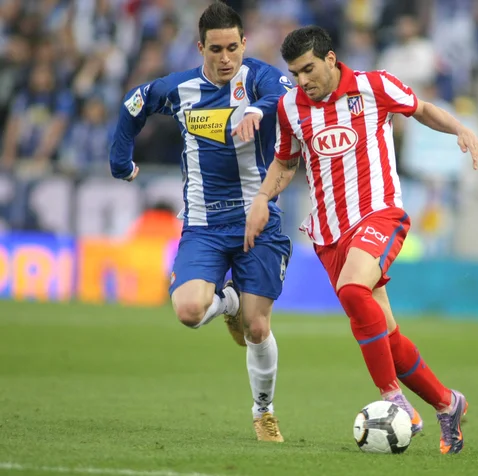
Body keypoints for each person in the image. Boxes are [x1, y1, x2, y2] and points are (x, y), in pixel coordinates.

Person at [244, 26, 478, 455]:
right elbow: (285, 161)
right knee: (386, 336)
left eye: (309, 69)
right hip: (329, 233)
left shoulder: (374, 86)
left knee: (353, 289)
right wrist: (263, 197)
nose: (303, 81)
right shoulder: (290, 108)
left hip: (380, 213)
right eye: (296, 73)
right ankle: (448, 404)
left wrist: (460, 130)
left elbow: (422, 109)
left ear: (331, 59)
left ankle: (394, 400)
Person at [109, 1, 294, 443]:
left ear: (244, 44)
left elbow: (288, 93)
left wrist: (258, 110)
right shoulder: (180, 88)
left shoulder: (261, 78)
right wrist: (120, 160)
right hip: (204, 225)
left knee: (257, 327)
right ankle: (225, 303)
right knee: (189, 311)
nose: (226, 57)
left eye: (233, 47)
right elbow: (134, 104)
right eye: (216, 49)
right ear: (201, 47)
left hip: (258, 219)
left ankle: (263, 412)